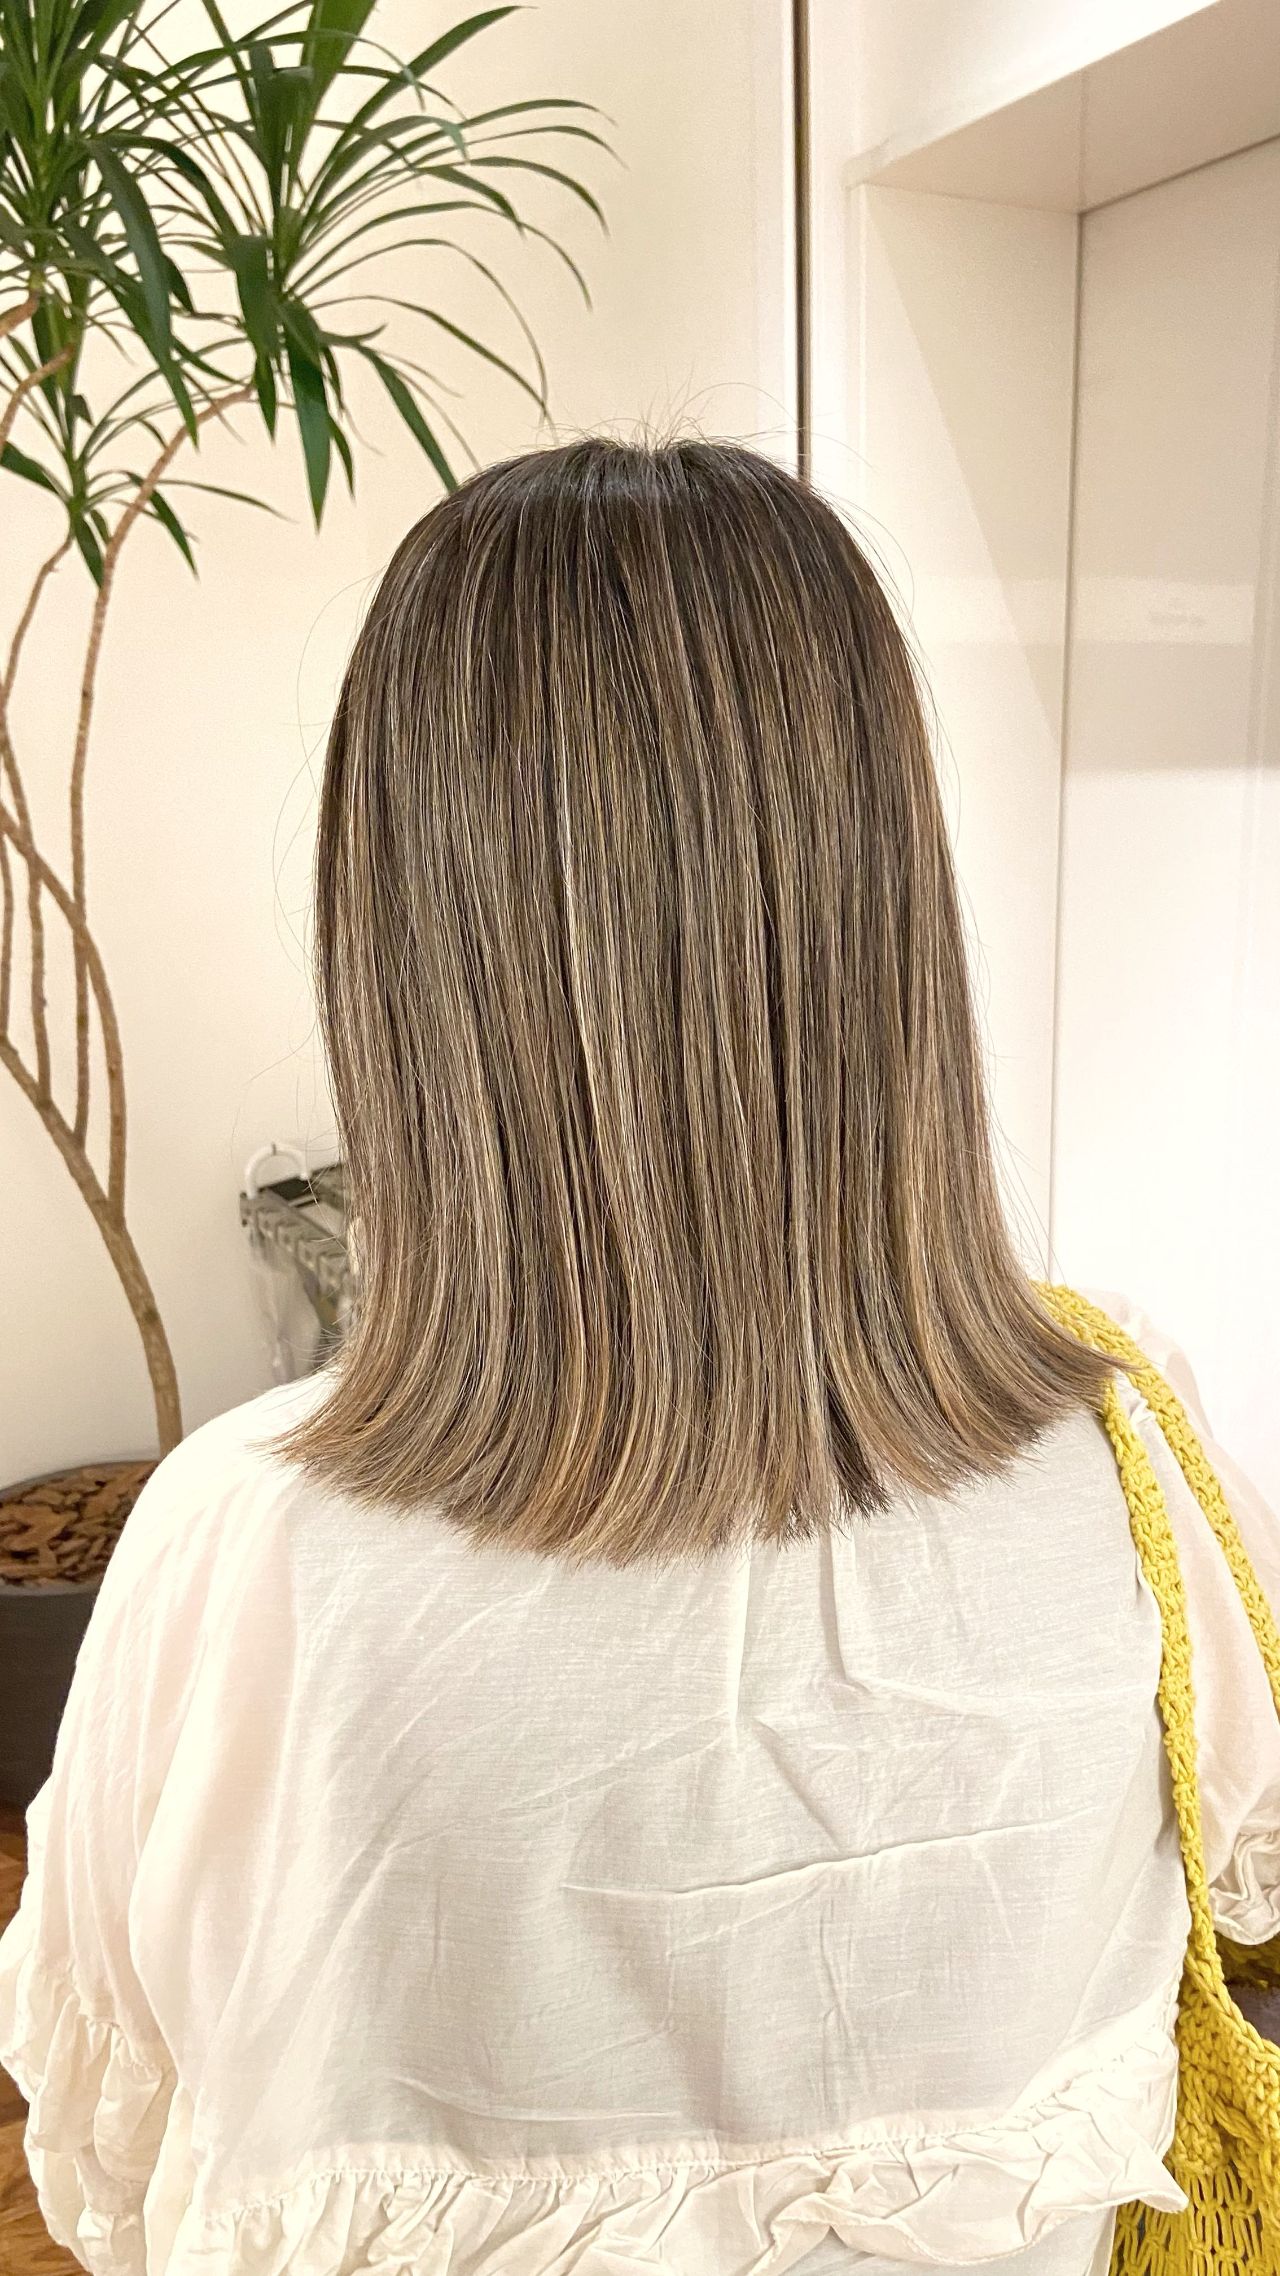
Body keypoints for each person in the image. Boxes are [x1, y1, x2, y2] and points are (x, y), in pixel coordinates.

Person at [1, 437, 1277, 2276]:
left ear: (405, 937)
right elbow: (1231, 1874)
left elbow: (117, 2176)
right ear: (884, 902)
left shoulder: (237, 1552)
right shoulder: (1123, 1443)